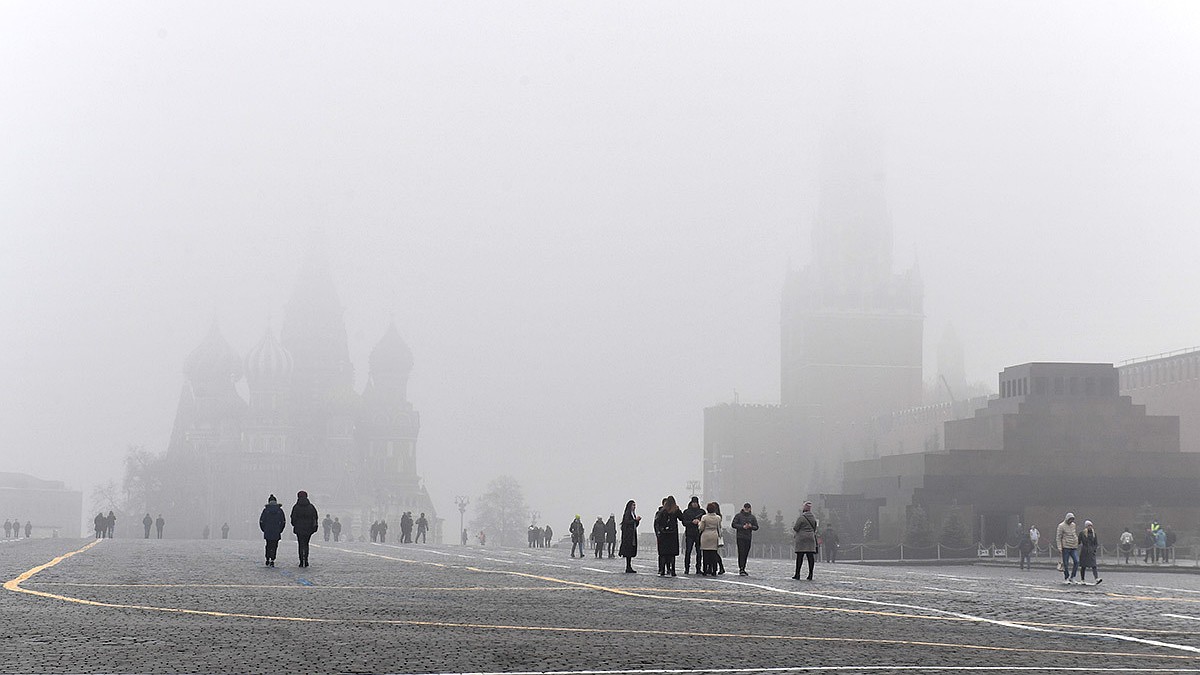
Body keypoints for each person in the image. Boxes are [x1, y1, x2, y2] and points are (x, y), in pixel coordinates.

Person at [654, 495, 686, 577]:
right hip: (672, 534)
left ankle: (662, 570)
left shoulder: (662, 511)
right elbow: (682, 518)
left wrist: (660, 531)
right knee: (672, 554)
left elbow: (657, 521)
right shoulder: (675, 510)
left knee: (664, 553)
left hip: (664, 534)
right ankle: (673, 570)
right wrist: (679, 510)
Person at [290, 490, 319, 568]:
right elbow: (315, 517)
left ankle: (301, 561)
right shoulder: (311, 507)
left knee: (300, 544)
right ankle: (306, 560)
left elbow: (293, 518)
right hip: (308, 528)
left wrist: (295, 524)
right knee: (306, 544)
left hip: (299, 528)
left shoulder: (296, 507)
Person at [730, 502, 760, 576]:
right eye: (745, 508)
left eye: (748, 508)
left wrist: (750, 526)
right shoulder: (738, 516)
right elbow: (733, 524)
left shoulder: (752, 517)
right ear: (743, 508)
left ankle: (743, 567)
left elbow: (756, 527)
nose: (746, 509)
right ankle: (741, 568)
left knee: (746, 553)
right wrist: (742, 527)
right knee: (741, 552)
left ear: (750, 509)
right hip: (740, 537)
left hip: (748, 537)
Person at [792, 501, 819, 580]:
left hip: (802, 538)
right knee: (810, 557)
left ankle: (797, 574)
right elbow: (814, 528)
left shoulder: (801, 518)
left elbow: (796, 528)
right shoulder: (813, 518)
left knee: (800, 557)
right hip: (811, 538)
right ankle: (810, 574)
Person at [259, 494, 286, 567]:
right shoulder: (280, 511)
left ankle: (267, 557)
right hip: (276, 531)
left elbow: (261, 521)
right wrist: (280, 530)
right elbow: (283, 521)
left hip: (268, 530)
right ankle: (272, 559)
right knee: (274, 545)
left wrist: (264, 529)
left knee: (268, 545)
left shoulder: (266, 510)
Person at [696, 502, 722, 576]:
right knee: (713, 554)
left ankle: (705, 570)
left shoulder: (704, 517)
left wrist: (699, 523)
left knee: (705, 554)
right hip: (714, 535)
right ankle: (714, 570)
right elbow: (719, 527)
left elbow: (701, 528)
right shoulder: (718, 518)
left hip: (705, 536)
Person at [681, 497, 705, 574]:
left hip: (699, 534)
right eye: (693, 502)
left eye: (696, 502)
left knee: (699, 552)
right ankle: (687, 568)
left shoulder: (702, 512)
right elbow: (684, 522)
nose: (695, 504)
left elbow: (705, 522)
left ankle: (698, 568)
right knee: (688, 552)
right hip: (689, 533)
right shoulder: (687, 512)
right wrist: (691, 522)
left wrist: (699, 522)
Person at [619, 500, 641, 573]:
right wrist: (635, 520)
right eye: (633, 505)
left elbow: (635, 525)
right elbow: (627, 523)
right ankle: (628, 566)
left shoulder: (633, 514)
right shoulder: (627, 513)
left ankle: (629, 566)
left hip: (632, 534)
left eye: (635, 505)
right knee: (628, 550)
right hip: (628, 535)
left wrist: (637, 521)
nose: (634, 507)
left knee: (631, 550)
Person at [1056, 512, 1079, 584]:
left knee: (1076, 561)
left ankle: (1073, 577)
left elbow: (1074, 534)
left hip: (1073, 546)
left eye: (1072, 519)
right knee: (1065, 563)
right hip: (1065, 547)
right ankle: (1066, 577)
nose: (1071, 521)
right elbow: (1058, 537)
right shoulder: (1061, 526)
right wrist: (1059, 547)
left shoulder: (1073, 525)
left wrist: (1076, 542)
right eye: (1070, 519)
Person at [1078, 520, 1102, 584]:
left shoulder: (1094, 534)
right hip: (1084, 551)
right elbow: (1078, 541)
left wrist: (1094, 549)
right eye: (1088, 525)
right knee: (1083, 566)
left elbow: (1096, 543)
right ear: (1086, 526)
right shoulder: (1082, 533)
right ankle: (1082, 579)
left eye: (1091, 525)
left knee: (1094, 565)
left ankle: (1096, 578)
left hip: (1091, 552)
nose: (1090, 527)